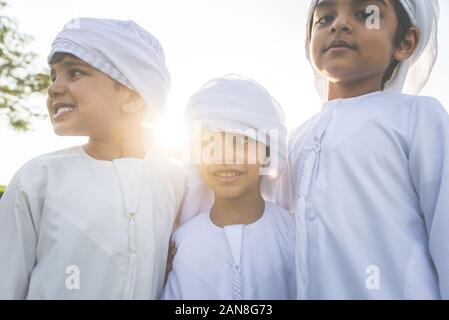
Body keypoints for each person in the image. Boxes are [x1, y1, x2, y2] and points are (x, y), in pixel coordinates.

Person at [0, 18, 185, 299]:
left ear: (133, 97)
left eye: (75, 73)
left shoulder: (175, 180)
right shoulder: (39, 178)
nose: (53, 88)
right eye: (54, 76)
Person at [288, 0, 448, 299]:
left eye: (366, 14)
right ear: (308, 40)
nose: (339, 24)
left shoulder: (417, 117)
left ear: (405, 42)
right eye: (324, 18)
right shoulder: (295, 139)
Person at [162, 75, 296, 300]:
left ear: (267, 151)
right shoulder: (180, 243)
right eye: (207, 143)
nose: (223, 156)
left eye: (241, 141)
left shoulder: (295, 235)